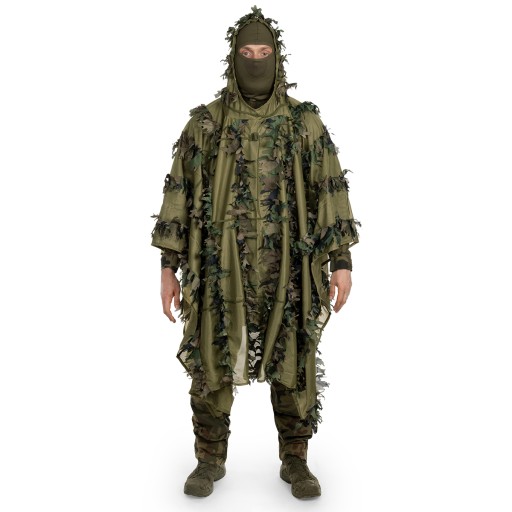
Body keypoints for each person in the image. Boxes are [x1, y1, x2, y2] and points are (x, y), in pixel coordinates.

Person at [151, 6, 360, 499]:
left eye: (264, 51)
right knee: (213, 353)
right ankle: (209, 459)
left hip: (290, 265)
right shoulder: (206, 124)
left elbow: (329, 188)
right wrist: (168, 268)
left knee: (294, 354)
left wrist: (341, 262)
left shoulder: (303, 123)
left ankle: (296, 459)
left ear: (277, 57)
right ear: (233, 57)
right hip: (219, 267)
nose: (255, 60)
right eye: (247, 52)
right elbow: (179, 191)